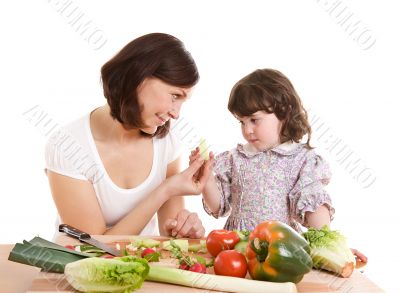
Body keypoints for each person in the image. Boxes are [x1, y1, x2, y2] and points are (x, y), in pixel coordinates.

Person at [190, 68, 367, 264]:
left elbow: (314, 206)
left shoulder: (301, 160)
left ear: (284, 112)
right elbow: (218, 206)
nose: (247, 130)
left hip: (282, 251)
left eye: (254, 120)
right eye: (242, 121)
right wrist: (205, 179)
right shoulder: (235, 158)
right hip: (237, 250)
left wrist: (330, 249)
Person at [45, 33, 212, 239]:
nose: (176, 114)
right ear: (139, 78)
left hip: (140, 267)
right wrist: (164, 191)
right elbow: (93, 248)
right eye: (175, 96)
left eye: (182, 102)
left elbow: (169, 235)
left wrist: (185, 230)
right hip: (76, 267)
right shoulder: (68, 145)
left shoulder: (167, 144)